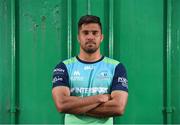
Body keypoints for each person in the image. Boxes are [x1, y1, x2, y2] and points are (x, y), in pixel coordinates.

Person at [52, 15, 128, 125]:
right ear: (78, 37)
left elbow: (118, 108)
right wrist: (100, 98)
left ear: (101, 37)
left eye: (95, 33)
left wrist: (75, 107)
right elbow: (62, 104)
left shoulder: (116, 67)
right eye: (85, 33)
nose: (90, 37)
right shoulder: (63, 67)